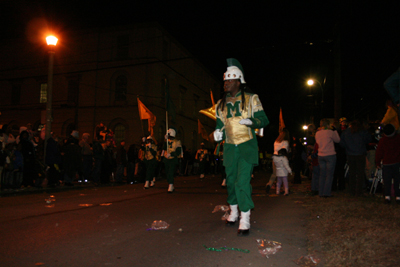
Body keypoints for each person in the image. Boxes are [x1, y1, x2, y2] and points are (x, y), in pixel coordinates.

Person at [211, 58, 269, 236]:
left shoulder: (252, 99)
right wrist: (215, 134)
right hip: (229, 147)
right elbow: (219, 126)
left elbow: (264, 120)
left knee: (242, 182)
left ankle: (245, 217)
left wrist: (252, 121)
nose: (226, 84)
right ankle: (234, 211)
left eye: (229, 80)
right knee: (230, 182)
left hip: (246, 145)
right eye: (225, 81)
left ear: (238, 81)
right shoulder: (220, 104)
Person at [339, 119, 371, 196]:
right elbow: (368, 139)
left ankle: (352, 190)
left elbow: (341, 143)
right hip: (360, 154)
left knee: (352, 173)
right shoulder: (362, 131)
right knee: (360, 173)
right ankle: (359, 191)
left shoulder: (346, 132)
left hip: (350, 155)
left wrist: (347, 148)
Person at [375, 124, 400, 204]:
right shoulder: (398, 138)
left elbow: (379, 152)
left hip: (387, 163)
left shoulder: (383, 140)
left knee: (387, 180)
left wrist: (378, 162)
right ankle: (398, 196)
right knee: (397, 180)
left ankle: (387, 196)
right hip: (397, 162)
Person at [315, 119, 340, 197]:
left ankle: (321, 192)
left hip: (321, 154)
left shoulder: (317, 133)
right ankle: (326, 192)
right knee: (329, 175)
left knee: (322, 174)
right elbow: (338, 140)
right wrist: (335, 131)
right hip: (330, 154)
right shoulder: (330, 132)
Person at [162, 127, 182, 193]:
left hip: (173, 159)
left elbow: (178, 151)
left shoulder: (177, 142)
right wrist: (165, 140)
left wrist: (171, 154)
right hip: (166, 159)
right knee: (167, 172)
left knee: (171, 172)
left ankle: (170, 185)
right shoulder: (167, 141)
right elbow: (164, 148)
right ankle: (171, 184)